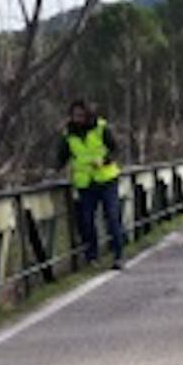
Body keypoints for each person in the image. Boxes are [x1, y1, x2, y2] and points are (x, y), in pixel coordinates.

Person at [58, 100, 125, 269]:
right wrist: (54, 171)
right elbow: (62, 156)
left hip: (106, 178)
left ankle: (118, 255)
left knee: (112, 216)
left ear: (87, 114)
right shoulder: (68, 134)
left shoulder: (101, 127)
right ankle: (92, 256)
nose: (77, 118)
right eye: (74, 116)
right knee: (86, 221)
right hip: (85, 183)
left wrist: (105, 160)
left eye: (80, 115)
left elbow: (115, 149)